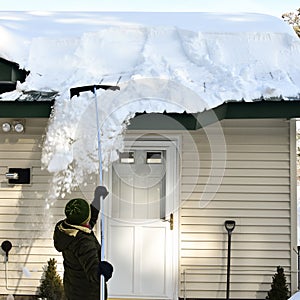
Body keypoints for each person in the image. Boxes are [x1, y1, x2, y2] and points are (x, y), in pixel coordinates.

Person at [53, 186, 113, 300]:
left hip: (73, 287)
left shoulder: (64, 228)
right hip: (87, 293)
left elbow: (87, 221)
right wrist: (104, 270)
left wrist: (97, 200)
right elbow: (94, 275)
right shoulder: (83, 242)